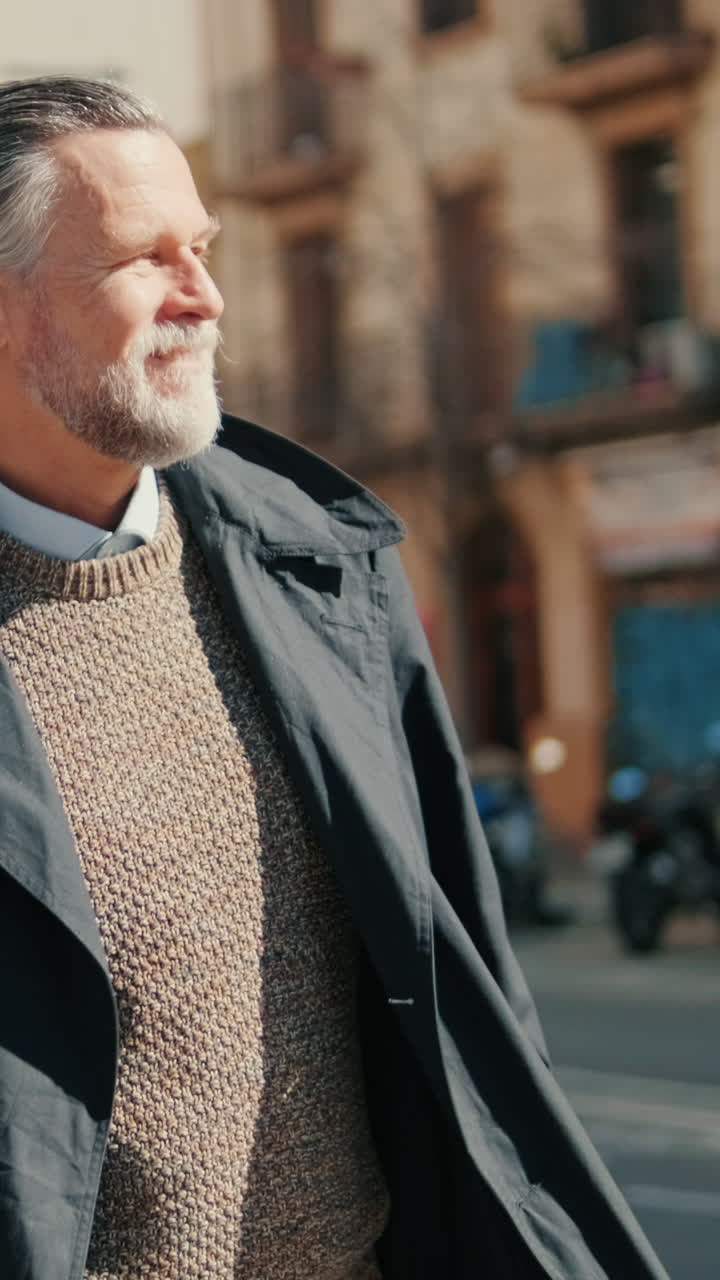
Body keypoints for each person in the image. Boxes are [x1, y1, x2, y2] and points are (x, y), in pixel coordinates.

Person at [0, 76, 666, 1280]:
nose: (203, 298)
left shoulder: (322, 567)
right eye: (141, 262)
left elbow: (476, 1000)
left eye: (201, 248)